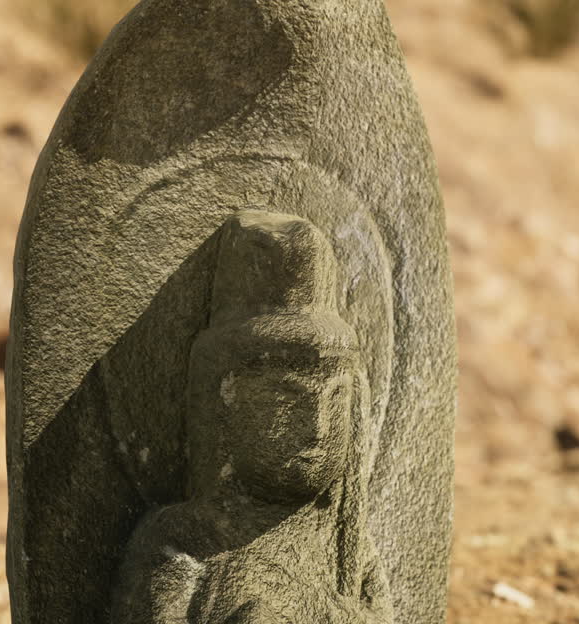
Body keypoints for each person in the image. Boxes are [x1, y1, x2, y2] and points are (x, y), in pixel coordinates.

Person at [111, 210, 392, 624]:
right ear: (224, 407)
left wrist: (333, 612)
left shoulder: (348, 548)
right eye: (286, 399)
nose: (316, 428)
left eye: (335, 400)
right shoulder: (182, 542)